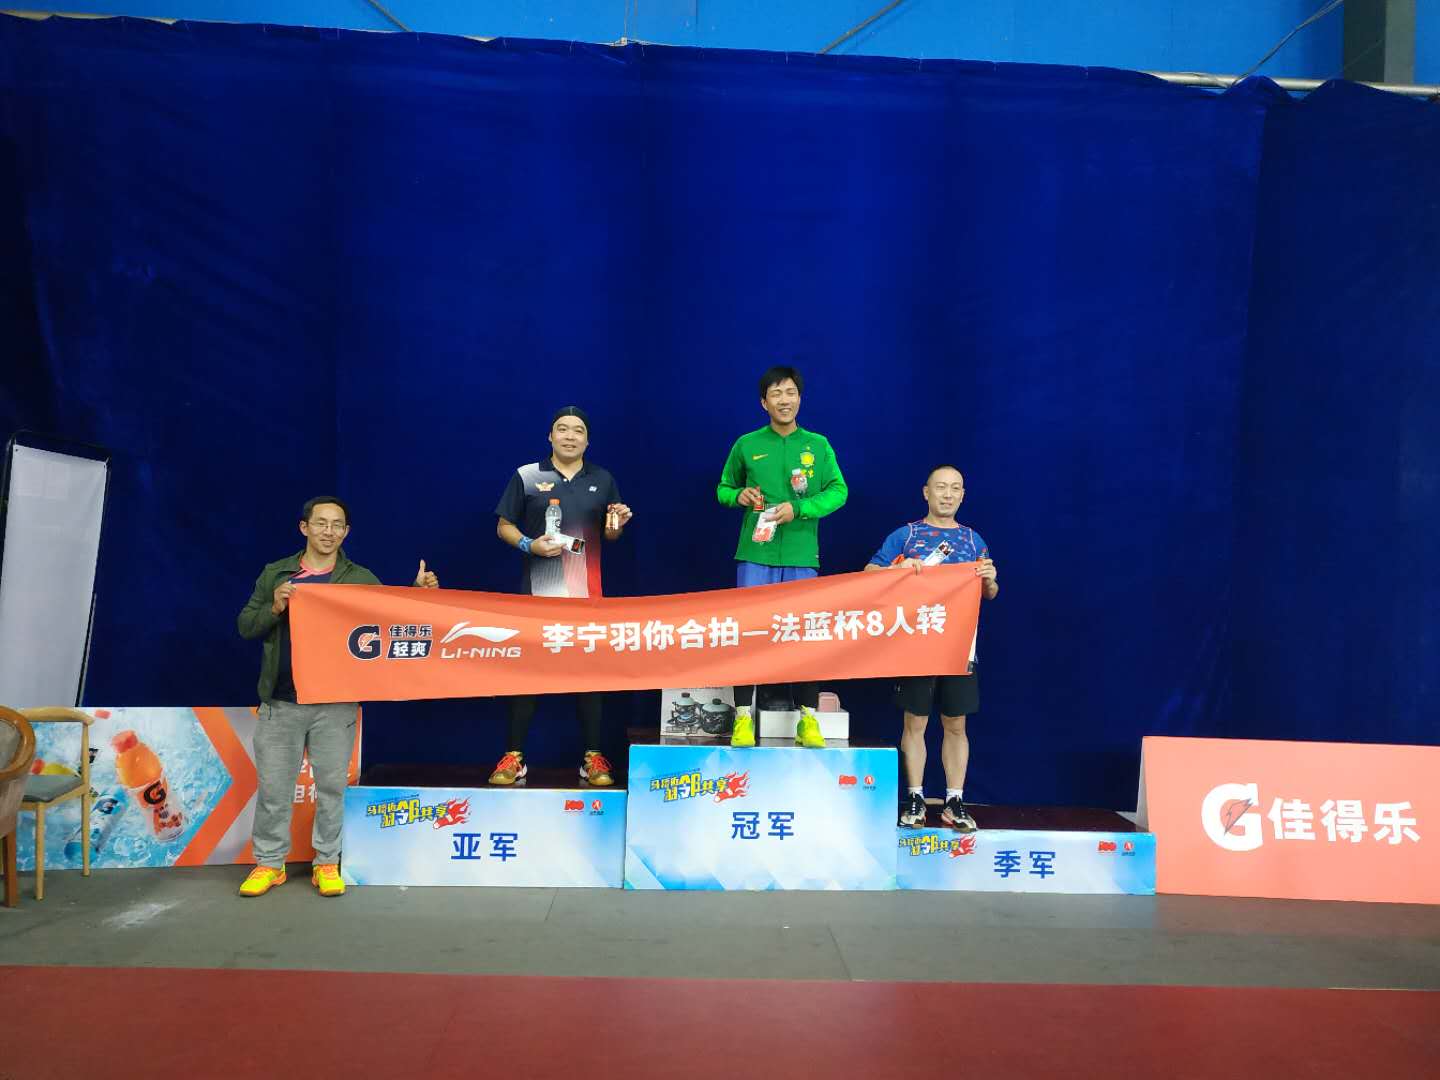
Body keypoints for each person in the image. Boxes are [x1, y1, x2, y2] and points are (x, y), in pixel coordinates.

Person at [236, 495, 440, 898]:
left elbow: (390, 617)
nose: (328, 532)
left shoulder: (358, 578)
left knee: (331, 789)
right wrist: (274, 607)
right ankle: (269, 864)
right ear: (304, 527)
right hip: (282, 701)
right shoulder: (277, 573)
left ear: (346, 532)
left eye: (337, 525)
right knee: (274, 790)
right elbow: (246, 626)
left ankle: (326, 862)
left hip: (335, 702)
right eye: (321, 523)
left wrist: (417, 592)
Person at [491, 406, 633, 787]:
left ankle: (592, 758)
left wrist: (617, 523)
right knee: (528, 675)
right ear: (550, 436)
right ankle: (514, 756)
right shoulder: (527, 475)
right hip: (537, 595)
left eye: (578, 431)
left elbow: (611, 534)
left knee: (589, 676)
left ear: (588, 440)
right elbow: (504, 525)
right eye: (562, 429)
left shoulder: (602, 479)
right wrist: (528, 544)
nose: (570, 436)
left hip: (587, 595)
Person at [716, 365, 848, 748]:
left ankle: (808, 719)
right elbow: (723, 488)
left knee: (804, 635)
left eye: (790, 392)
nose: (784, 400)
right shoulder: (746, 444)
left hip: (801, 554)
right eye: (776, 394)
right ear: (764, 402)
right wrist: (738, 496)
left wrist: (800, 509)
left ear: (800, 399)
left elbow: (838, 491)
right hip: (755, 553)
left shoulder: (818, 445)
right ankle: (743, 718)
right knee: (748, 634)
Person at [866, 465, 998, 832]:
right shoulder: (906, 535)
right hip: (917, 645)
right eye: (941, 487)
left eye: (955, 488)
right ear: (926, 492)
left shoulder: (973, 540)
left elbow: (989, 593)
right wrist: (899, 569)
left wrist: (990, 580)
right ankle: (915, 797)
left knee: (956, 724)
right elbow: (868, 574)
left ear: (963, 495)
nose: (948, 494)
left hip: (960, 647)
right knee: (916, 722)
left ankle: (955, 800)